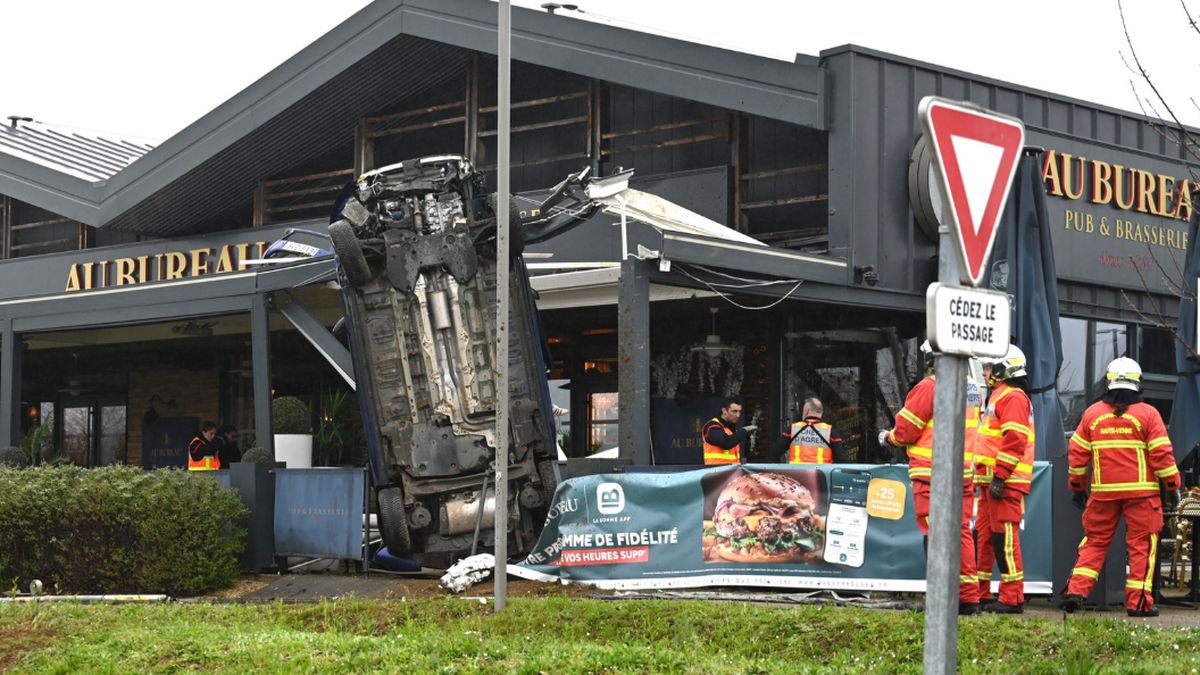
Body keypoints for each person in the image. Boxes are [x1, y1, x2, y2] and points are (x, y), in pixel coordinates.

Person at [1061, 357, 1181, 618]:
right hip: (1142, 495)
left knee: (1094, 542)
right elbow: (1162, 455)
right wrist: (1173, 486)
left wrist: (1078, 487)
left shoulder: (1092, 414)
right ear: (1138, 383)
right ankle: (1138, 603)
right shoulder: (1148, 414)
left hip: (1104, 494)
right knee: (1141, 547)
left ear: (1109, 381)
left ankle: (1075, 592)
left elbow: (1077, 455)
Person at [879, 340, 981, 615]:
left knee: (935, 534)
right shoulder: (972, 387)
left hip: (932, 473)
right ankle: (968, 597)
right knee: (960, 532)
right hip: (962, 472)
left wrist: (887, 438)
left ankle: (941, 597)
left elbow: (906, 431)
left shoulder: (929, 386)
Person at [971, 344, 1035, 614]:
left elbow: (1015, 440)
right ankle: (981, 591)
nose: (985, 373)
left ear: (1002, 369)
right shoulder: (1000, 397)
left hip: (1005, 481)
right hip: (991, 481)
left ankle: (1012, 597)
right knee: (983, 536)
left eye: (988, 368)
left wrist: (1000, 475)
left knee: (1004, 538)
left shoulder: (1013, 398)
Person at [774, 397, 846, 463]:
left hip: (795, 475)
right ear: (821, 413)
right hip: (821, 475)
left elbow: (775, 452)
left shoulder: (793, 429)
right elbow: (841, 459)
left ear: (807, 410)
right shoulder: (830, 431)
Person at [701, 396, 757, 465]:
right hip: (715, 473)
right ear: (724, 411)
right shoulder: (712, 426)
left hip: (731, 472)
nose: (738, 415)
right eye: (734, 411)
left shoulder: (731, 429)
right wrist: (744, 431)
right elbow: (726, 443)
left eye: (739, 411)